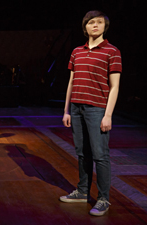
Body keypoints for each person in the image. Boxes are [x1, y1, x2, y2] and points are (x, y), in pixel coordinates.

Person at [59, 11, 122, 216]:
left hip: (97, 109)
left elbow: (114, 87)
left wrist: (108, 115)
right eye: (91, 22)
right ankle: (83, 191)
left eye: (99, 22)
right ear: (85, 27)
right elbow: (71, 81)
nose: (95, 25)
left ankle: (103, 199)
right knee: (81, 152)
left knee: (100, 155)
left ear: (105, 26)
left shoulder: (112, 51)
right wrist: (66, 110)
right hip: (76, 108)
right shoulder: (77, 51)